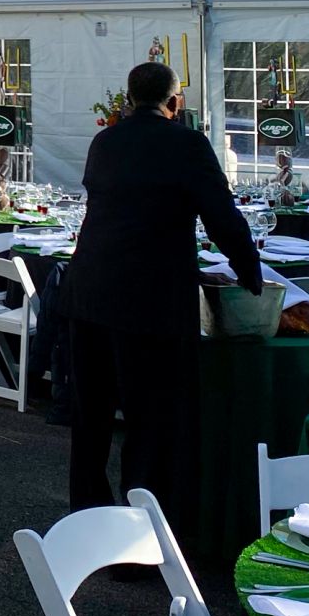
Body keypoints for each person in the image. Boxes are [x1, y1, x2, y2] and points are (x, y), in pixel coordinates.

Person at [64, 61, 262, 528]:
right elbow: (221, 216)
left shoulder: (104, 141)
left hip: (88, 289)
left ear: (129, 99)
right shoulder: (187, 144)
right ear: (175, 104)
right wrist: (249, 272)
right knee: (149, 423)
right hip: (148, 299)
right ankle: (142, 539)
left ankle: (88, 527)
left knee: (90, 421)